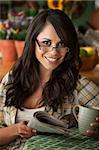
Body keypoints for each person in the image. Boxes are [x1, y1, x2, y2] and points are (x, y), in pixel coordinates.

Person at [0, 9, 99, 148]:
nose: (54, 52)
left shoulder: (78, 86)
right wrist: (16, 130)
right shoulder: (12, 78)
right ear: (33, 41)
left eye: (62, 44)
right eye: (46, 42)